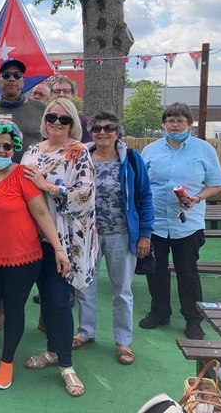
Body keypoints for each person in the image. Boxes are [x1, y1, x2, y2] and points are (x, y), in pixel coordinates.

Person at [0, 119, 68, 391]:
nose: (2, 151)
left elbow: (41, 213)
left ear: (14, 148)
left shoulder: (23, 175)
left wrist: (59, 249)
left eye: (8, 147)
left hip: (23, 258)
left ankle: (7, 362)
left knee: (14, 310)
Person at [20, 97, 97, 397]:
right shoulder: (31, 151)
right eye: (52, 116)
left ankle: (66, 364)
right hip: (27, 239)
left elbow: (85, 197)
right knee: (38, 301)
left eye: (64, 119)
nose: (56, 123)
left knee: (58, 301)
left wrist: (48, 186)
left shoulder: (78, 152)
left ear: (73, 124)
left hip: (60, 241)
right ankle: (52, 351)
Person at [139, 102, 221, 340]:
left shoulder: (204, 149)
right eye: (170, 121)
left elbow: (216, 183)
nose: (174, 125)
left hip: (187, 224)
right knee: (155, 270)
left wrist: (197, 198)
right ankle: (159, 312)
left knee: (187, 273)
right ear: (164, 124)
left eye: (179, 120)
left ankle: (193, 319)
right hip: (155, 223)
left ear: (189, 123)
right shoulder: (151, 150)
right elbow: (142, 185)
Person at [73, 112, 154, 365]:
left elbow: (145, 196)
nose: (102, 132)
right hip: (88, 234)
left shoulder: (130, 159)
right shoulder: (81, 157)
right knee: (85, 286)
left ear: (118, 132)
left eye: (109, 128)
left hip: (121, 234)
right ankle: (86, 331)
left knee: (122, 290)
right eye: (97, 128)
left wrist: (145, 234)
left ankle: (123, 341)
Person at [0, 58, 46, 163]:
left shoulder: (41, 108)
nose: (11, 79)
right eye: (6, 75)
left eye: (17, 75)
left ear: (23, 82)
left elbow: (52, 143)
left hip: (31, 174)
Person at [49, 77, 91, 143]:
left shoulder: (84, 123)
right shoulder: (45, 121)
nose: (61, 94)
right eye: (57, 91)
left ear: (73, 95)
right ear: (51, 95)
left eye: (66, 91)